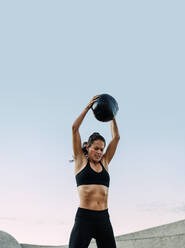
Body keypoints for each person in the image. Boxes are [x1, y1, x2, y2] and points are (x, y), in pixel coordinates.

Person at [69, 95, 120, 248]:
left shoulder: (105, 162)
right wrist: (87, 108)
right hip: (84, 218)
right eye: (96, 148)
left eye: (101, 149)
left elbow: (116, 137)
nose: (99, 152)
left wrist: (111, 115)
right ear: (88, 148)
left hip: (103, 218)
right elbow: (74, 129)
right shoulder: (80, 161)